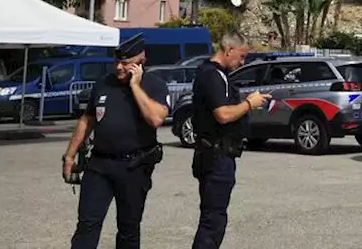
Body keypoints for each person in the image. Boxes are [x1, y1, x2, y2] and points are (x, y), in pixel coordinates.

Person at [64, 34, 170, 249]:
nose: (119, 67)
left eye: (126, 63)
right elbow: (88, 119)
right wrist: (69, 156)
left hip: (134, 167)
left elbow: (156, 119)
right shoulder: (104, 83)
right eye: (117, 62)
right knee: (87, 224)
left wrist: (135, 86)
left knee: (128, 229)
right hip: (100, 164)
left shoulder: (155, 85)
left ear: (141, 62)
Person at [191, 33, 267, 249]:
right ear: (229, 50)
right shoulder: (212, 75)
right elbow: (222, 114)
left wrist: (246, 103)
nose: (241, 62)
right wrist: (249, 104)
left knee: (213, 218)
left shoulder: (215, 74)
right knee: (212, 221)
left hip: (215, 154)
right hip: (215, 156)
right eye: (241, 56)